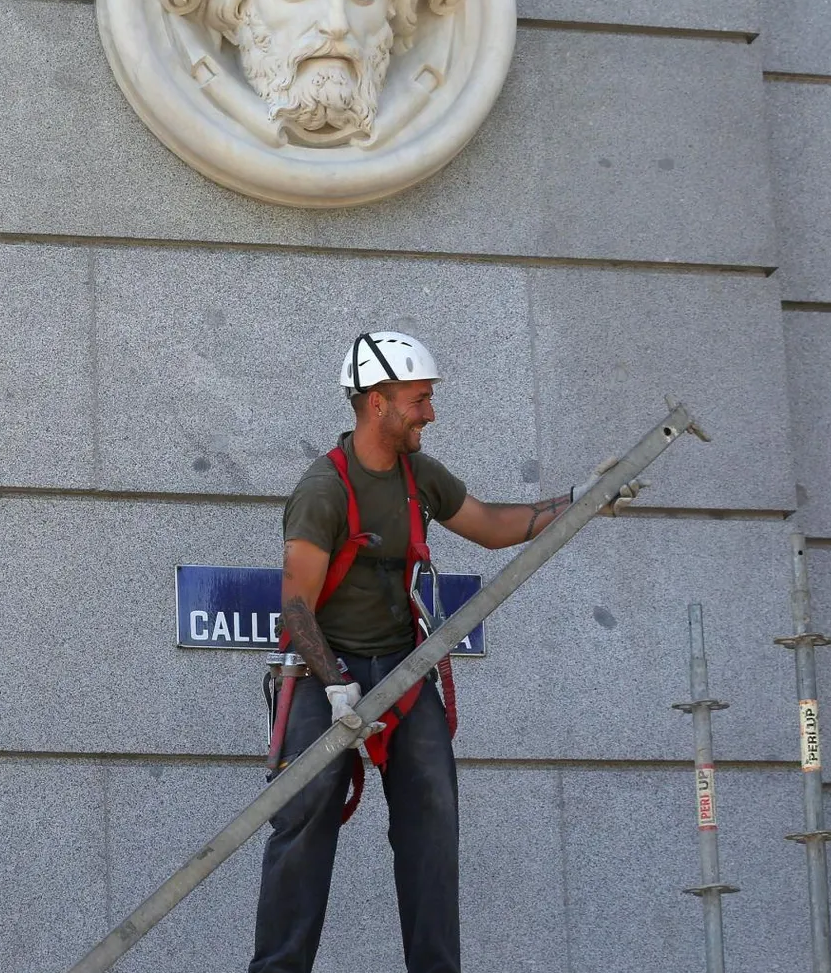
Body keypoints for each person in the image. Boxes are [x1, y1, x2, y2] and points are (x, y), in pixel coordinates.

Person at [251, 331, 644, 973]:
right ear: (377, 402)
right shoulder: (324, 489)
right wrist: (334, 685)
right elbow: (296, 606)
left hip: (401, 672)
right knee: (304, 820)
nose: (429, 413)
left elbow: (490, 526)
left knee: (432, 820)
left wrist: (580, 502)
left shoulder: (418, 476)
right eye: (418, 399)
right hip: (326, 671)